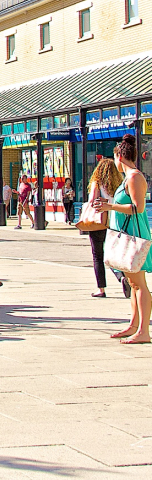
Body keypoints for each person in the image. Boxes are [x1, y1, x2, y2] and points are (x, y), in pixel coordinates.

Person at [94, 135, 151, 344]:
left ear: (120, 156)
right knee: (133, 283)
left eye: (114, 157)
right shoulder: (127, 178)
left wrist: (110, 206)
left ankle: (143, 331)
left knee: (139, 284)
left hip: (135, 236)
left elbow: (138, 208)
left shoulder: (134, 177)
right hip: (127, 235)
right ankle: (134, 325)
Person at [84, 157, 122, 298]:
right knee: (114, 253)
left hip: (99, 222)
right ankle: (122, 277)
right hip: (115, 222)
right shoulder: (118, 184)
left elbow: (92, 201)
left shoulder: (97, 182)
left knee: (98, 256)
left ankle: (101, 289)